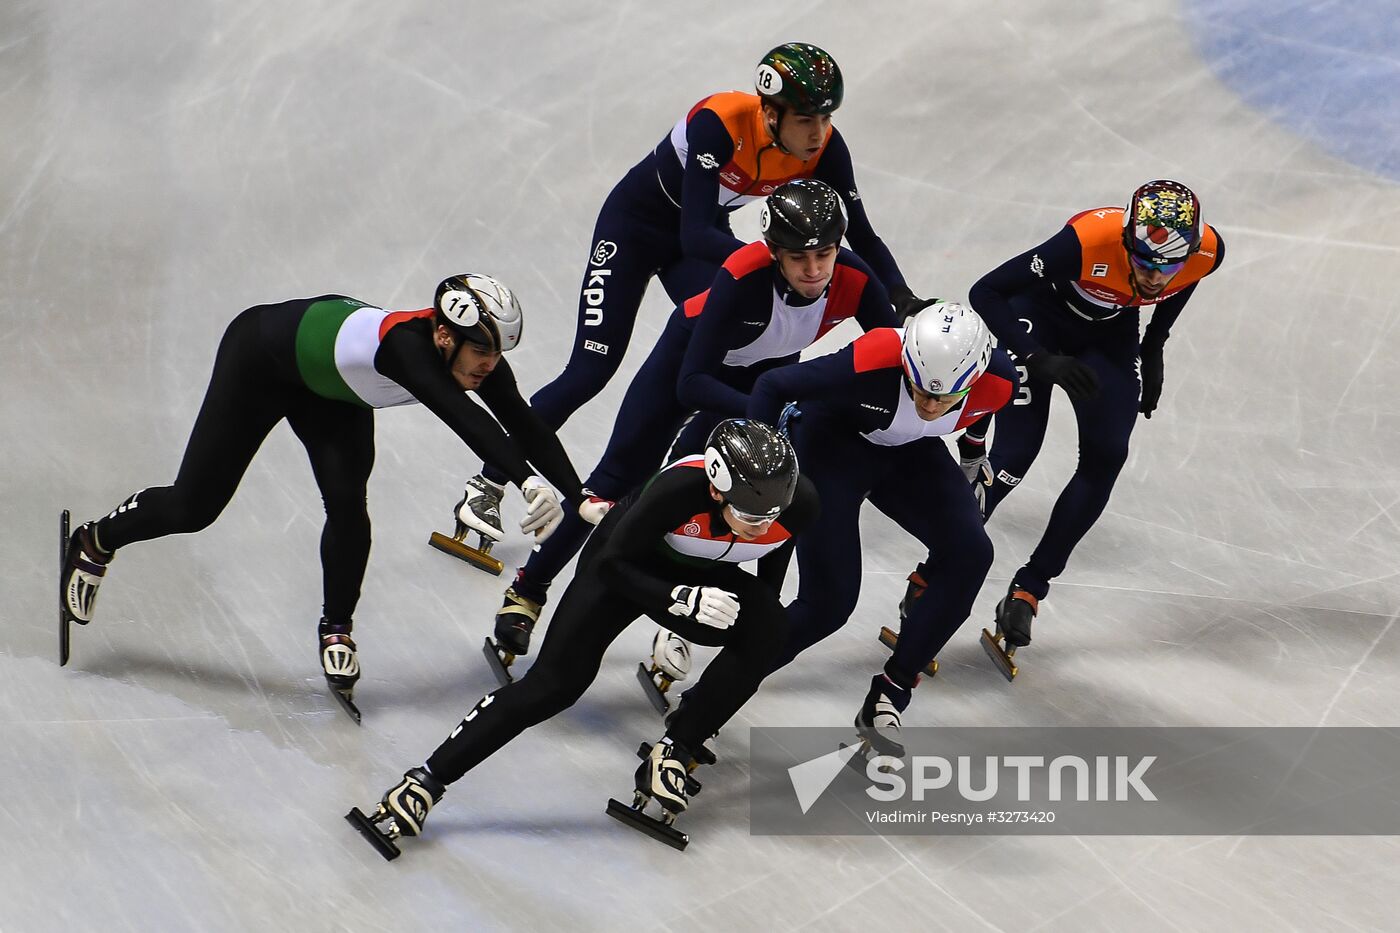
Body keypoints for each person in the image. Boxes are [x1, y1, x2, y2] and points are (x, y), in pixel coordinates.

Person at [451, 42, 927, 553]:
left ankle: (684, 469)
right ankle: (487, 483)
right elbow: (697, 233)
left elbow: (864, 237)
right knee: (589, 370)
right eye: (807, 118)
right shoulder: (719, 122)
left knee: (736, 341)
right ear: (769, 112)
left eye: (827, 117)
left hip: (695, 242)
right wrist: (773, 262)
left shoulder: (827, 148)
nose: (819, 132)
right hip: (637, 230)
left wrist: (905, 299)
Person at [59, 274, 583, 719]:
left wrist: (581, 494)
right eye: (482, 350)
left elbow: (524, 423)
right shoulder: (408, 347)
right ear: (444, 335)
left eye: (498, 352)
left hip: (330, 394)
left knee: (349, 508)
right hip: (260, 362)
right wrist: (527, 481)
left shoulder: (473, 357)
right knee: (195, 507)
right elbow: (464, 419)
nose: (489, 365)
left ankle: (337, 629)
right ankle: (96, 540)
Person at [482, 178, 895, 681]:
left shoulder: (857, 279)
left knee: (731, 498)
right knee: (615, 480)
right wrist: (767, 405)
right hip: (692, 365)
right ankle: (529, 588)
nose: (813, 270)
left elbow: (884, 362)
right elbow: (691, 383)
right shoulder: (743, 275)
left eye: (824, 254)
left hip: (762, 376)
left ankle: (676, 627)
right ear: (773, 253)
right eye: (796, 258)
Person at [347, 419, 819, 857]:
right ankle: (426, 780)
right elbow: (612, 565)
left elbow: (771, 565)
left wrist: (741, 620)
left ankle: (675, 749)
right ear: (716, 490)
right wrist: (677, 596)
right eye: (749, 515)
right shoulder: (677, 490)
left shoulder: (798, 505)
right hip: (626, 569)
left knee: (769, 628)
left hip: (699, 578)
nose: (759, 526)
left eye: (768, 517)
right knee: (556, 685)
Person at [964, 180, 1225, 678]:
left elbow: (1184, 279)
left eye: (1165, 266)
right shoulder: (1087, 241)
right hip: (1036, 318)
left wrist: (1155, 344)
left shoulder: (1205, 253)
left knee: (1108, 454)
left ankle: (1029, 589)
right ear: (1127, 242)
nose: (1153, 278)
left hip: (1109, 334)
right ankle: (936, 573)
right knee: (1015, 456)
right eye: (1144, 263)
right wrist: (1037, 357)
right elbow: (987, 291)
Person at [747, 302, 1015, 753]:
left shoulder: (999, 381)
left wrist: (972, 451)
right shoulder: (874, 356)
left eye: (943, 397)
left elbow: (981, 411)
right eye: (919, 389)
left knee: (971, 553)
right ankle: (722, 689)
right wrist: (756, 470)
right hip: (833, 446)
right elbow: (772, 385)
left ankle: (890, 692)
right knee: (829, 605)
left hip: (907, 452)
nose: (929, 405)